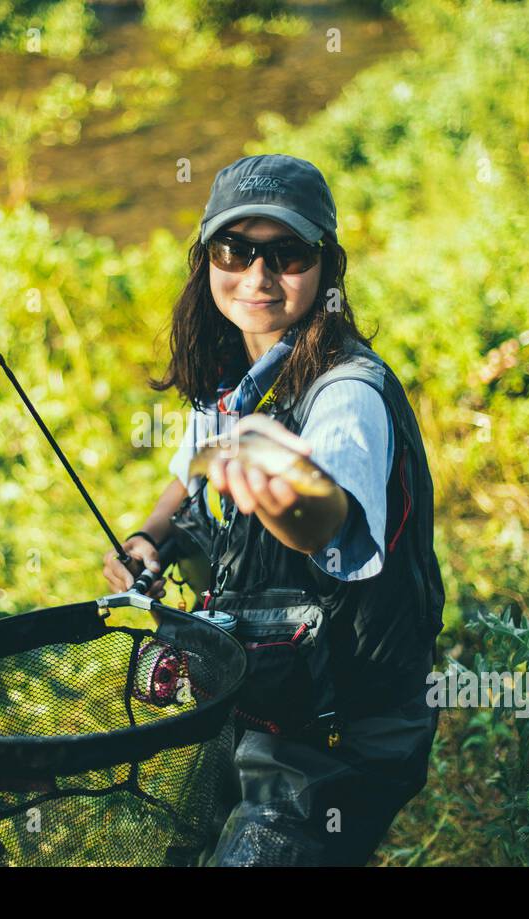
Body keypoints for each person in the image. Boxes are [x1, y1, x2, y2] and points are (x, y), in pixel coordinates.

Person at [102, 153, 446, 866]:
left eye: (288, 254)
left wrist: (285, 494)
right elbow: (188, 480)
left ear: (326, 267)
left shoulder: (346, 394)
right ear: (207, 263)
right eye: (237, 251)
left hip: (341, 740)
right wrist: (148, 540)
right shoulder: (234, 376)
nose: (259, 276)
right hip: (259, 708)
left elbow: (328, 515)